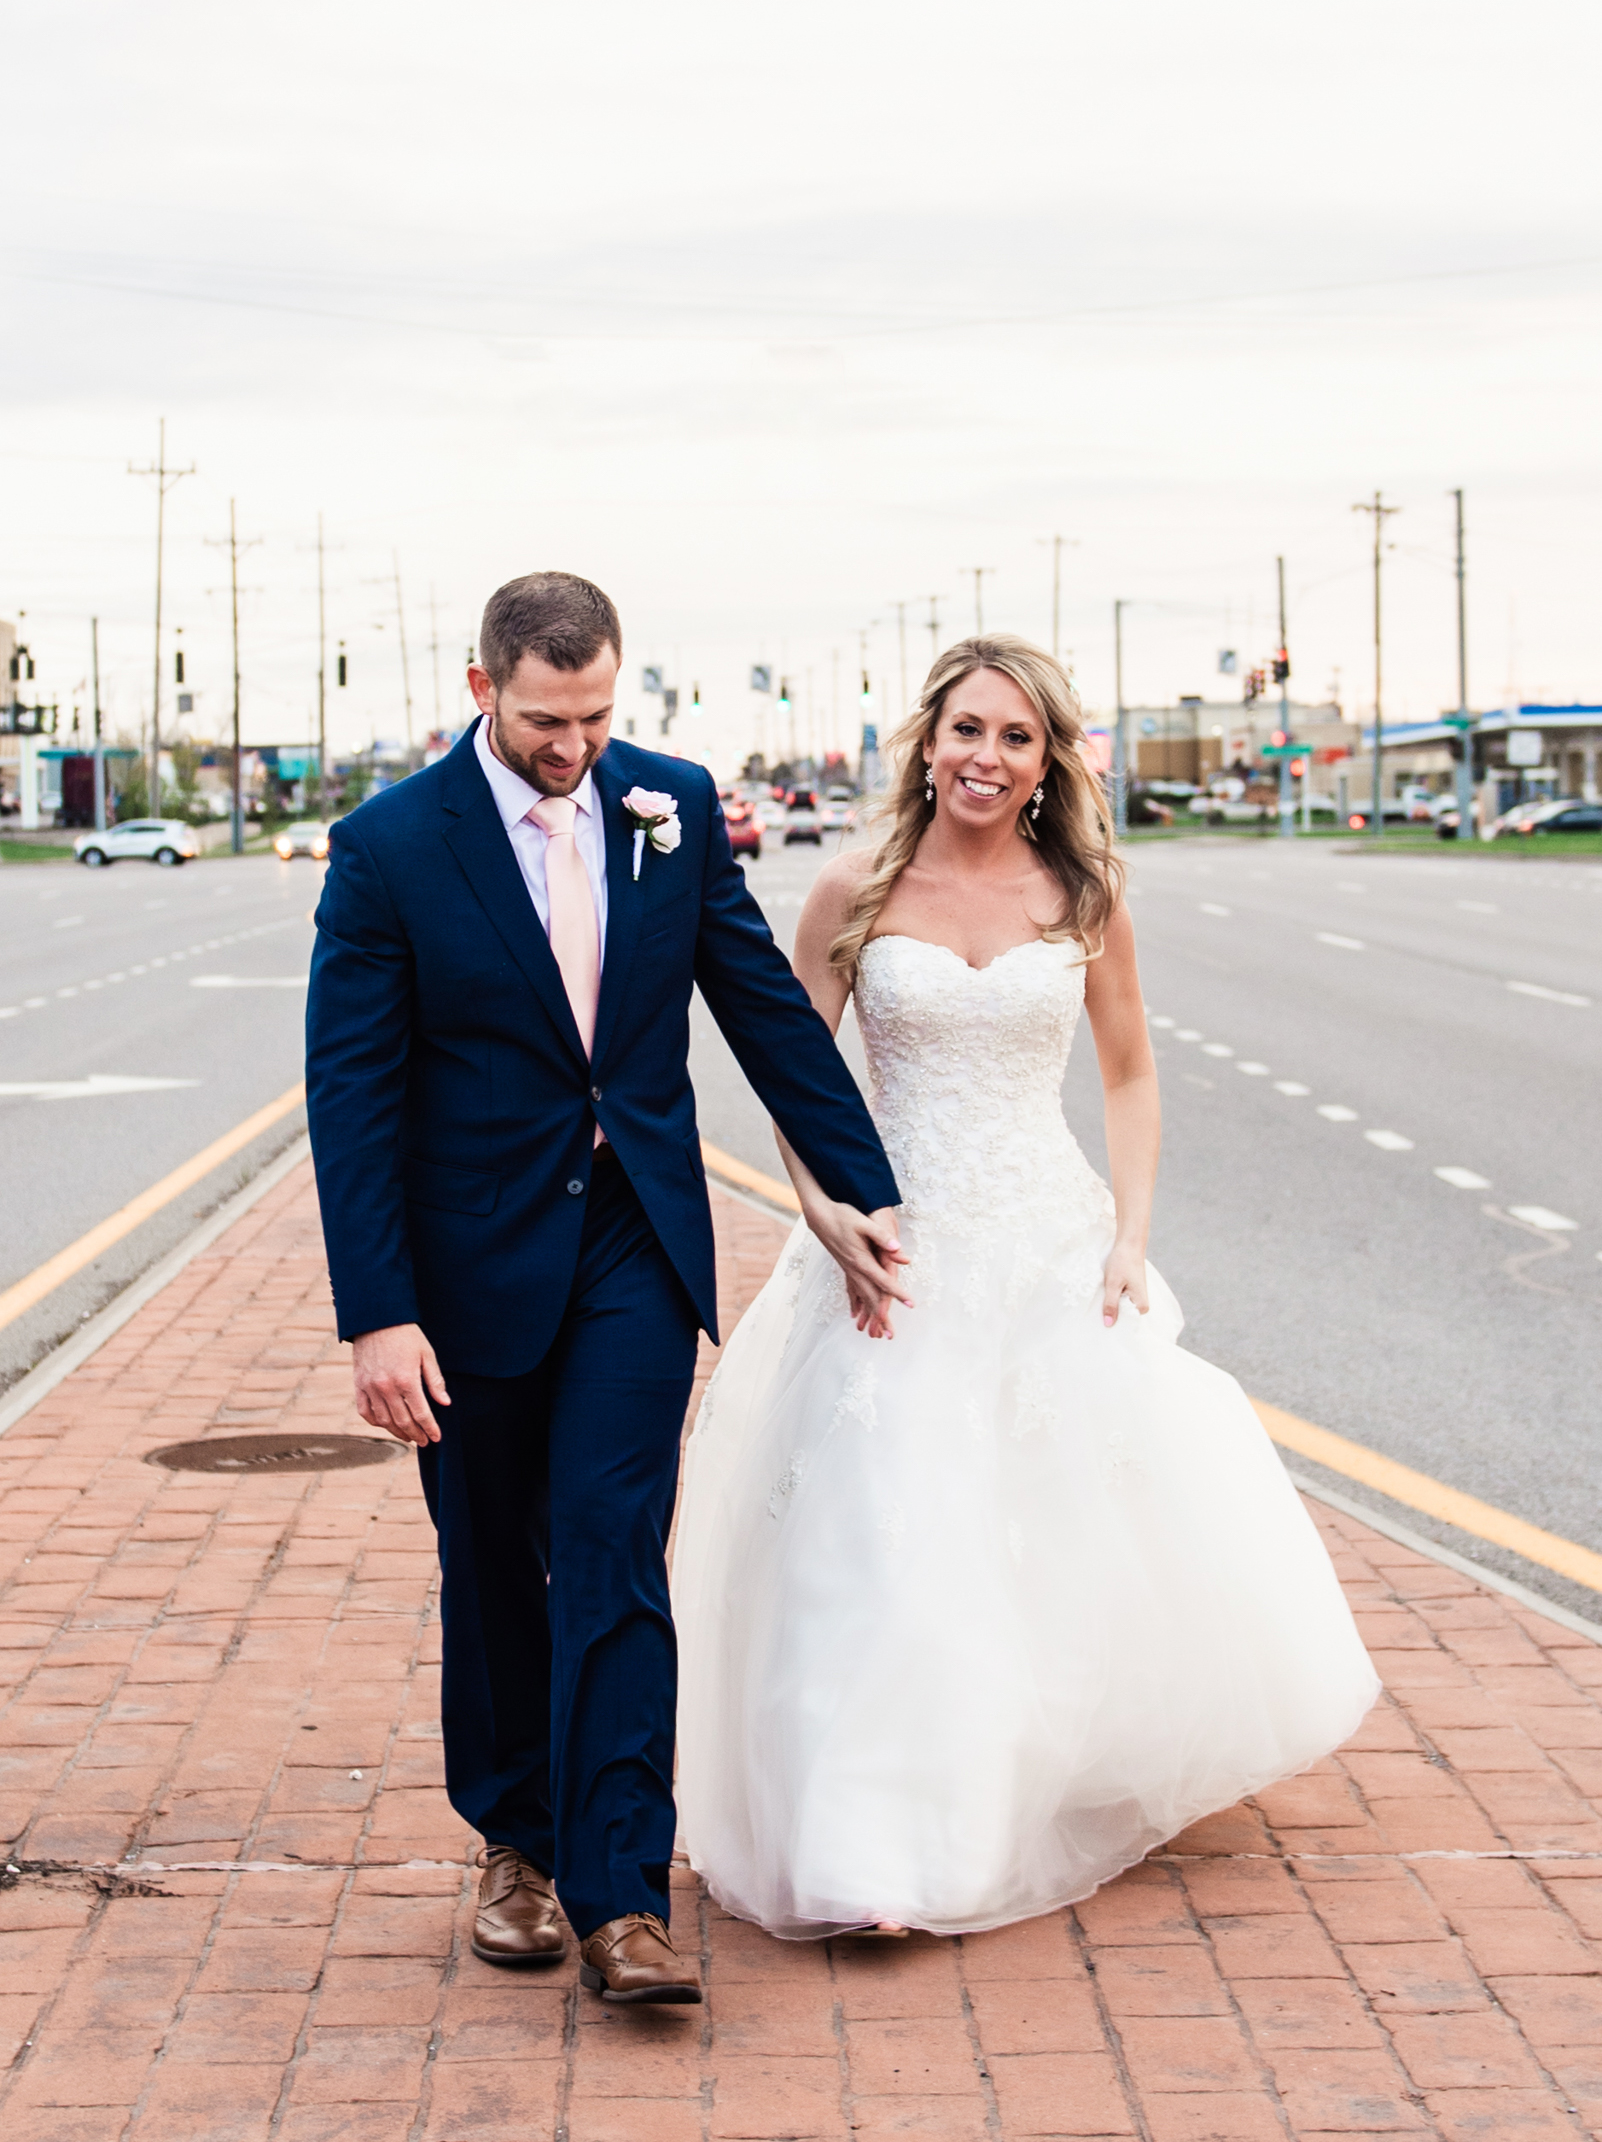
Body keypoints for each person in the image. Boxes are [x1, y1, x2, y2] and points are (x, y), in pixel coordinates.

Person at [672, 634, 1378, 1940]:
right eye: (964, 731)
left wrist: (1127, 1231)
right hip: (894, 1250)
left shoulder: (1084, 896)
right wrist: (824, 1212)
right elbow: (794, 1072)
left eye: (1013, 737)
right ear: (925, 741)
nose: (983, 758)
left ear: (1045, 759)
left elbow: (1125, 1072)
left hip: (1049, 1233)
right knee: (883, 1533)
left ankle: (1041, 1769)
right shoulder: (851, 891)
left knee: (1047, 1533)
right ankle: (876, 1849)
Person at [304, 572, 905, 2006]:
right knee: (496, 1559)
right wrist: (377, 1311)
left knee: (614, 1545)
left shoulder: (672, 804)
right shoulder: (389, 848)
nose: (574, 746)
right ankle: (514, 1841)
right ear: (481, 692)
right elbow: (351, 1094)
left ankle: (624, 1894)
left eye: (595, 715)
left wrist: (861, 1193)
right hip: (464, 1272)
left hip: (633, 1236)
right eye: (544, 719)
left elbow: (759, 1002)